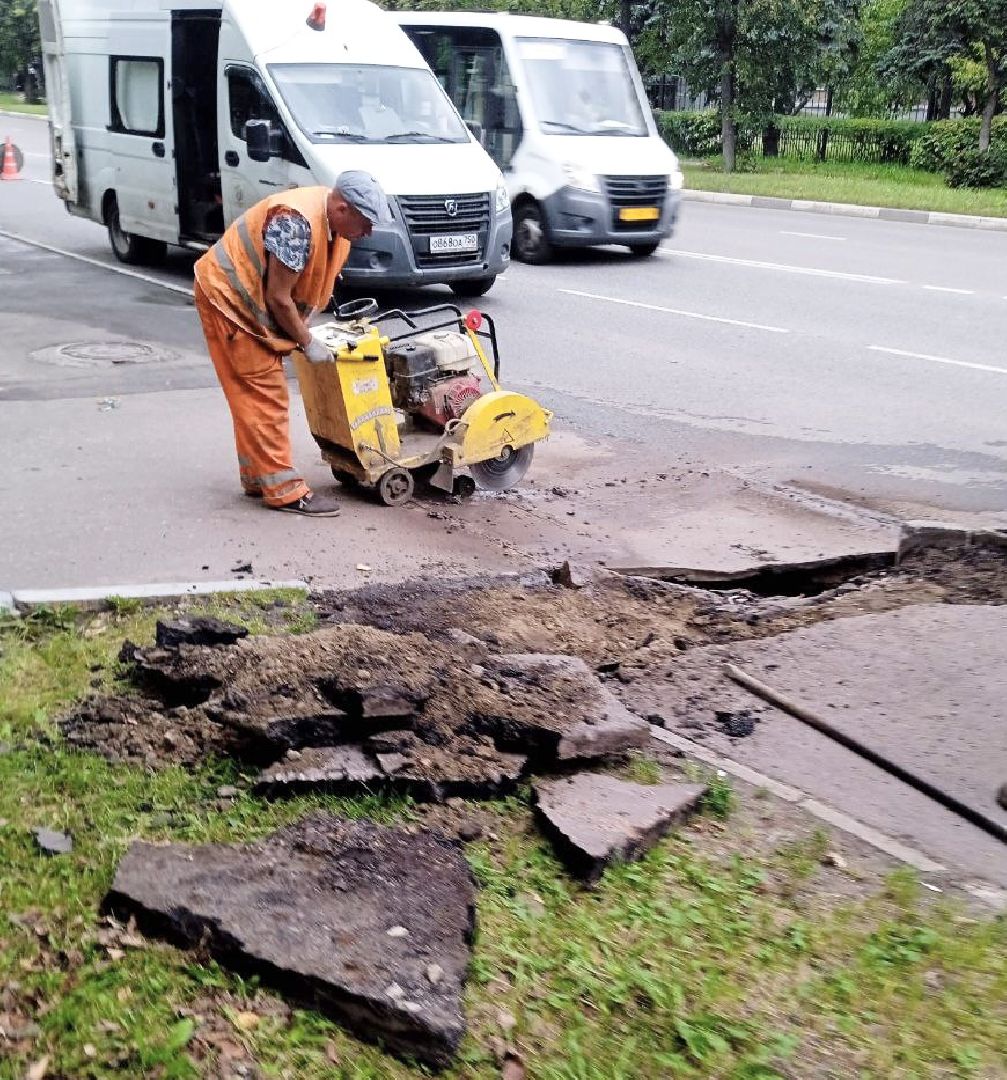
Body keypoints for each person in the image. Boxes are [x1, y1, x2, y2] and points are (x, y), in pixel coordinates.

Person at [193, 172, 388, 516]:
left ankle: (259, 476)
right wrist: (306, 341)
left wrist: (307, 323)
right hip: (230, 304)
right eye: (366, 222)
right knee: (265, 397)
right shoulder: (294, 223)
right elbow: (279, 298)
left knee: (249, 399)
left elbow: (310, 279)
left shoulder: (333, 223)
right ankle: (283, 490)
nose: (369, 233)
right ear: (342, 207)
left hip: (249, 306)